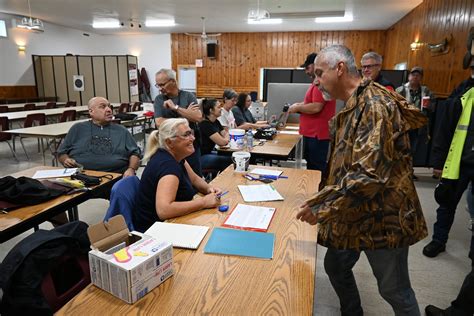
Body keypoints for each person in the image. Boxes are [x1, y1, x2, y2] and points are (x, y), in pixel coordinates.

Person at [296, 45, 428, 316]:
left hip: (383, 217)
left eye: (320, 73)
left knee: (394, 291)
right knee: (336, 264)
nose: (316, 80)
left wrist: (322, 205)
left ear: (340, 69)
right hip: (354, 211)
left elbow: (369, 174)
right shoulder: (356, 102)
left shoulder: (374, 105)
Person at [423, 57, 474, 258]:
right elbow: (444, 130)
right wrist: (438, 162)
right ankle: (439, 240)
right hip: (458, 162)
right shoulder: (462, 94)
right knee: (446, 204)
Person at [134, 118, 222, 232]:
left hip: (172, 222)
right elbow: (164, 210)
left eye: (191, 133)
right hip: (156, 231)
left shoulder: (177, 158)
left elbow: (195, 179)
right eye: (186, 135)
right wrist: (203, 202)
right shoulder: (168, 167)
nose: (193, 138)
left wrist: (209, 188)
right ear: (169, 142)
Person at [58, 96, 141, 177]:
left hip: (115, 176)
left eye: (109, 106)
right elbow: (62, 152)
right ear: (91, 112)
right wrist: (65, 160)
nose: (109, 110)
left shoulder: (121, 130)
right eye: (103, 107)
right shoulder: (77, 129)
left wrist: (131, 169)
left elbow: (135, 153)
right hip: (82, 176)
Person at [288, 52, 336, 172]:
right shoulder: (316, 83)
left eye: (307, 68)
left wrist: (298, 108)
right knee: (311, 165)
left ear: (316, 65)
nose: (306, 71)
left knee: (316, 168)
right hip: (312, 134)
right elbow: (312, 102)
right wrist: (299, 105)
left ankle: (318, 190)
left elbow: (316, 107)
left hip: (317, 134)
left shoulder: (321, 83)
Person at [153, 68, 203, 176]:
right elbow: (159, 123)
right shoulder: (159, 99)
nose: (160, 89)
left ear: (173, 81)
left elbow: (198, 117)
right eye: (158, 85)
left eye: (162, 85)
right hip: (170, 148)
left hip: (190, 144)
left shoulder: (188, 96)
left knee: (195, 176)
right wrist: (186, 116)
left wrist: (175, 108)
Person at [396, 66, 436, 180]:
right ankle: (398, 171)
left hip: (418, 126)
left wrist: (429, 106)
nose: (415, 77)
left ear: (421, 78)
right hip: (403, 125)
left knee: (413, 150)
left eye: (418, 75)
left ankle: (409, 171)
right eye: (413, 74)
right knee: (400, 148)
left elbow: (433, 107)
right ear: (409, 76)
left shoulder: (426, 91)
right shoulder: (400, 90)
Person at [199, 98, 232, 172]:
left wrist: (225, 138)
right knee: (230, 160)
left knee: (232, 156)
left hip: (210, 152)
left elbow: (225, 134)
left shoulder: (216, 121)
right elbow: (222, 142)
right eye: (219, 107)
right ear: (211, 110)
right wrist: (226, 138)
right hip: (202, 157)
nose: (221, 109)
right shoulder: (205, 124)